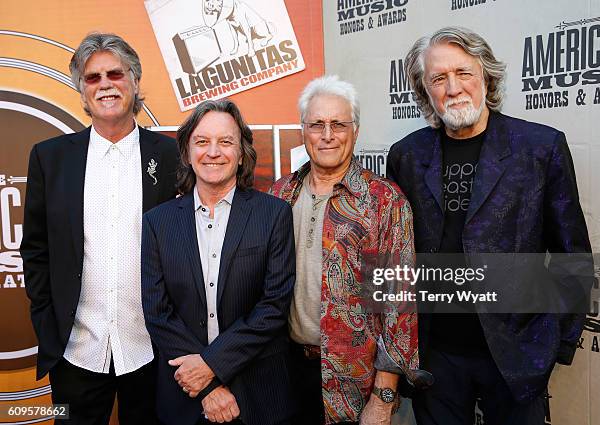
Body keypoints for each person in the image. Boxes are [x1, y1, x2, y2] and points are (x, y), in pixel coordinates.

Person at [386, 26, 592, 425]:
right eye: (438, 78)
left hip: (517, 355)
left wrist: (556, 345)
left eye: (464, 72)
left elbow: (573, 256)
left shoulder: (540, 147)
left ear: (487, 75)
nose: (453, 88)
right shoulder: (406, 156)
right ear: (424, 90)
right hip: (435, 358)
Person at [20, 32, 179, 424]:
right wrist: (47, 323)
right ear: (82, 91)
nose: (105, 84)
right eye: (93, 78)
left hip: (153, 351)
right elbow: (35, 249)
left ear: (135, 82)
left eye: (115, 74)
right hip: (75, 351)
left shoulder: (172, 155)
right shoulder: (49, 158)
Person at [270, 75, 419, 425]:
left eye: (338, 124)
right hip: (283, 372)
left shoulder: (384, 202)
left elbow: (399, 306)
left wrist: (384, 397)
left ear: (355, 130)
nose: (327, 135)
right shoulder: (278, 195)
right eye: (317, 124)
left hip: (355, 383)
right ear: (302, 130)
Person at [141, 99, 296, 425]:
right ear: (186, 152)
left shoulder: (273, 215)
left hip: (256, 395)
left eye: (226, 142)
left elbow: (273, 307)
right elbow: (158, 312)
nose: (213, 152)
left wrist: (211, 366)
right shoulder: (158, 222)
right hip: (184, 397)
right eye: (202, 141)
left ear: (241, 154)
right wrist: (208, 386)